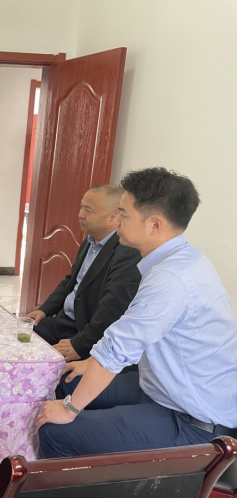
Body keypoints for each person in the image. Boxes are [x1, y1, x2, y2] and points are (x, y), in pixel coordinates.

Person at [36, 167, 237, 458]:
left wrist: (70, 409)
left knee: (55, 430)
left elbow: (118, 348)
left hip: (191, 420)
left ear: (154, 225)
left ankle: (96, 488)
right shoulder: (183, 259)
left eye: (123, 214)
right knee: (64, 383)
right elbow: (131, 337)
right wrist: (89, 363)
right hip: (161, 387)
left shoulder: (170, 278)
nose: (116, 220)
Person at [26, 184, 141, 361]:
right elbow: (71, 281)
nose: (80, 214)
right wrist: (44, 310)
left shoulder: (127, 252)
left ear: (113, 217)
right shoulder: (89, 241)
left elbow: (112, 308)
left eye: (88, 210)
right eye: (81, 207)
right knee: (16, 340)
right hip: (62, 321)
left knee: (43, 366)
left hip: (85, 332)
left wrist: (80, 345)